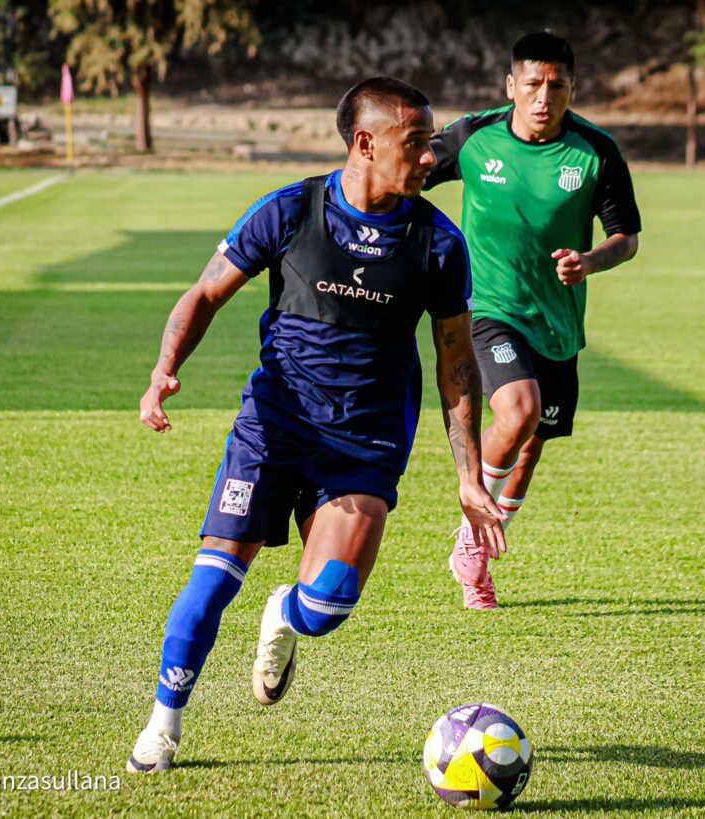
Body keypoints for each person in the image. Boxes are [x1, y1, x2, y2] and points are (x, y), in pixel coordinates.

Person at [126, 77, 505, 773]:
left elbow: (457, 360)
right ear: (366, 142)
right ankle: (164, 723)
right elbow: (206, 292)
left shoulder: (438, 243)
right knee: (212, 577)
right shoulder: (291, 209)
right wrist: (163, 369)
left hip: (365, 442)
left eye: (431, 145)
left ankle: (285, 615)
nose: (430, 159)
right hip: (275, 424)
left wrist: (467, 474)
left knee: (327, 601)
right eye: (416, 144)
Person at [425, 31, 642, 610]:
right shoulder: (475, 136)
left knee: (529, 449)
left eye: (558, 86)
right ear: (511, 86)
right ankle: (470, 533)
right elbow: (412, 171)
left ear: (573, 88)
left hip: (559, 324)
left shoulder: (597, 151)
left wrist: (591, 260)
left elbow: (628, 237)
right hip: (489, 308)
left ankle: (478, 567)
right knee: (517, 411)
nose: (545, 97)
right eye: (533, 85)